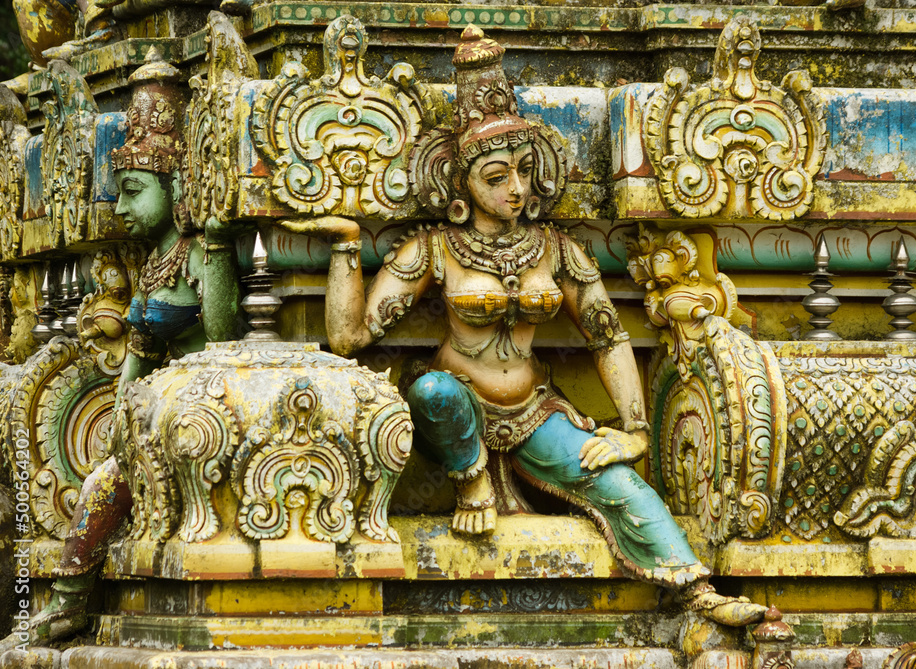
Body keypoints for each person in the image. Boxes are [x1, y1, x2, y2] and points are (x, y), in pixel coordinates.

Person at [279, 25, 765, 627]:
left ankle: (697, 592)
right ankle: (474, 481)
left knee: (618, 484)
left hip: (536, 411)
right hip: (457, 410)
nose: (518, 189)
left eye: (525, 171)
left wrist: (634, 431)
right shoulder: (436, 250)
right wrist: (347, 247)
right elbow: (349, 338)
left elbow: (607, 336)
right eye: (497, 177)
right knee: (432, 392)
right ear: (462, 184)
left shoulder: (556, 250)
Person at [0, 48, 240, 650]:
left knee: (105, 483)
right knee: (101, 472)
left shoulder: (195, 259)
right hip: (152, 408)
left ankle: (69, 600)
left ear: (176, 183)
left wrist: (213, 246)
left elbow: (220, 337)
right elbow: (135, 354)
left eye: (133, 191)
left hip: (205, 402)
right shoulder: (154, 265)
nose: (122, 208)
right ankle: (64, 598)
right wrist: (119, 419)